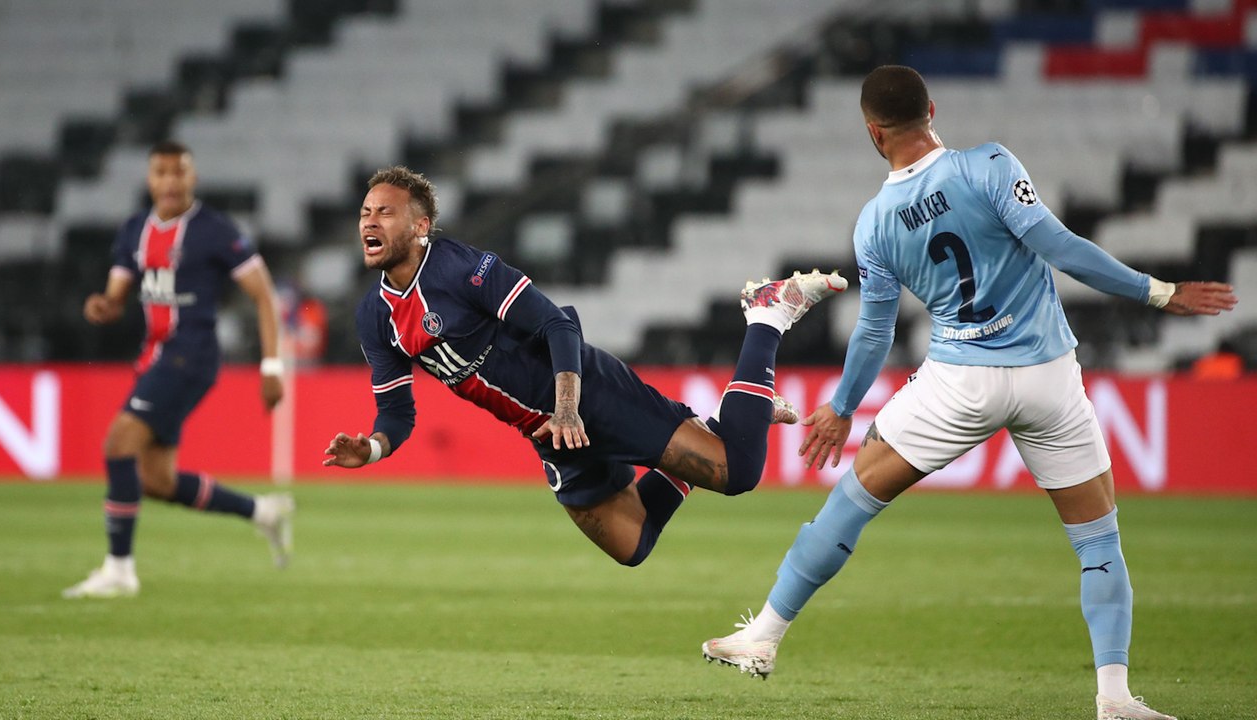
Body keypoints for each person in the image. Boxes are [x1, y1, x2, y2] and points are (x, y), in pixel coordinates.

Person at [700, 66, 1237, 720]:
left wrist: (842, 408)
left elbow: (875, 330)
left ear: (874, 133)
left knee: (854, 498)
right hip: (1046, 375)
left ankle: (765, 636)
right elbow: (1058, 246)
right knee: (1098, 543)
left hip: (960, 382)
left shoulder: (874, 223)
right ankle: (1115, 697)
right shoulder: (989, 165)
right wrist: (1160, 292)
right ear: (932, 107)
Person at [322, 166, 848, 566]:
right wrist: (370, 449)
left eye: (384, 211)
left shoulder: (461, 269)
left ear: (420, 226)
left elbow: (559, 325)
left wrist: (569, 408)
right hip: (547, 431)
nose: (369, 220)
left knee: (738, 474)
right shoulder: (375, 317)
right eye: (365, 212)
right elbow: (397, 414)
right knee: (631, 545)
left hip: (587, 394)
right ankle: (715, 422)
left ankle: (767, 315)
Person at [64, 141, 296, 599]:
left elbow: (264, 295)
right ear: (149, 179)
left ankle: (119, 569)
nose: (170, 181)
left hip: (192, 354)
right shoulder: (133, 231)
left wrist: (272, 366)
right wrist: (104, 306)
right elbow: (117, 294)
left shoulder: (214, 230)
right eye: (161, 172)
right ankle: (262, 511)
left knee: (118, 442)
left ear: (193, 178)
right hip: (154, 358)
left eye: (179, 172)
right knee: (156, 481)